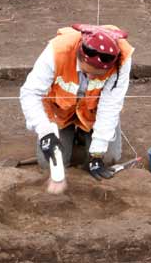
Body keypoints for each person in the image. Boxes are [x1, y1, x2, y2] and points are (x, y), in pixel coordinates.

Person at [20, 24, 132, 193]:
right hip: (61, 112)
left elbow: (110, 104)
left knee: (109, 159)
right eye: (87, 73)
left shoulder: (122, 60)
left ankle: (84, 136)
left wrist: (97, 154)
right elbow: (30, 93)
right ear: (79, 57)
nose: (92, 78)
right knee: (46, 163)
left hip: (92, 114)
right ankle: (71, 135)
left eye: (98, 75)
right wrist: (45, 132)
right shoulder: (58, 51)